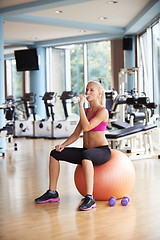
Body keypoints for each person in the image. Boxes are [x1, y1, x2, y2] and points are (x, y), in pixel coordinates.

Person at [35, 81, 111, 211]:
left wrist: (80, 106)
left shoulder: (102, 111)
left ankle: (89, 197)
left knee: (86, 155)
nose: (87, 93)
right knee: (55, 154)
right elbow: (76, 134)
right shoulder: (86, 111)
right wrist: (63, 145)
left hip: (101, 151)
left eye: (91, 90)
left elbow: (87, 127)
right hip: (87, 151)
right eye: (87, 89)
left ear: (99, 93)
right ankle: (52, 192)